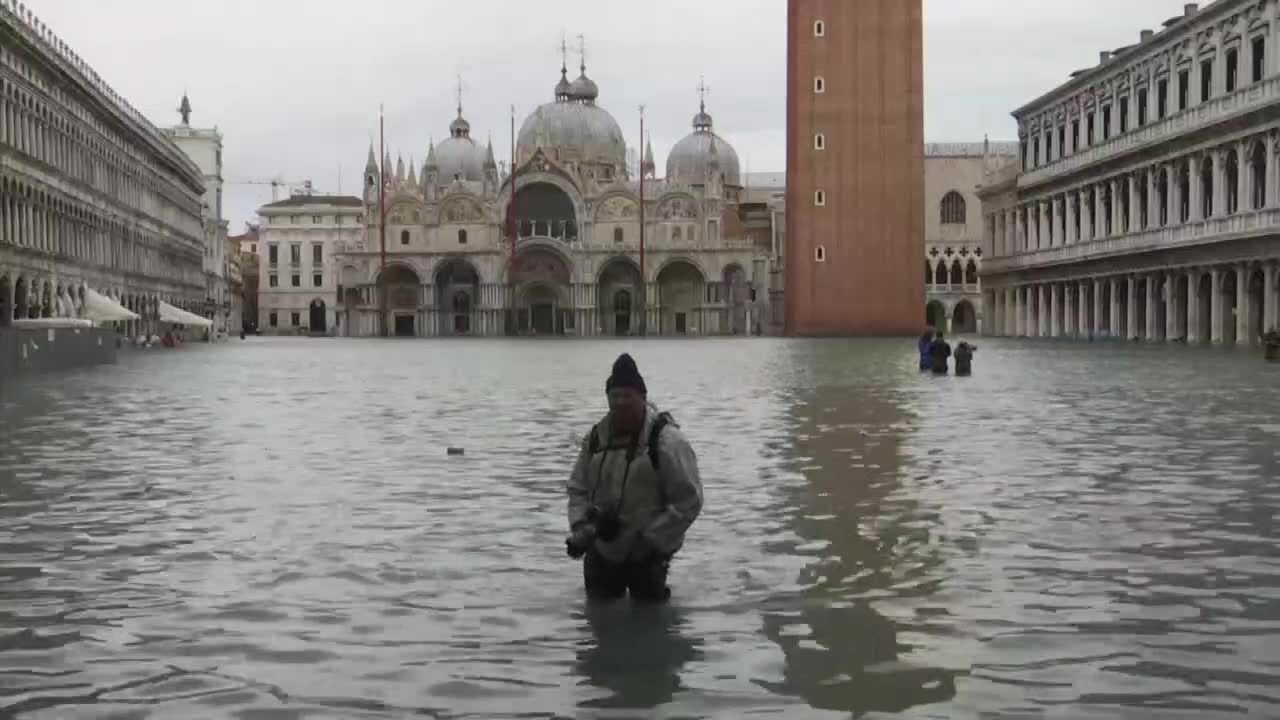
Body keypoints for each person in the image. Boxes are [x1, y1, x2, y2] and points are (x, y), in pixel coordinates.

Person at [566, 353, 704, 603]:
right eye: (614, 396)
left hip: (649, 553)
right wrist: (581, 528)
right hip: (604, 548)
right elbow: (577, 489)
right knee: (598, 621)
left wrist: (652, 539)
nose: (620, 403)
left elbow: (689, 501)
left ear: (643, 397)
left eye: (627, 396)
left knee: (650, 622)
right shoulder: (596, 439)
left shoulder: (667, 441)